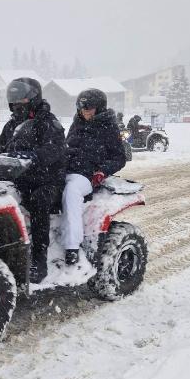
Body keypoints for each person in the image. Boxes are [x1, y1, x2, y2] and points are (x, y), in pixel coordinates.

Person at [0, 77, 65, 283]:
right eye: (14, 101)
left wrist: (33, 157)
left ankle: (39, 259)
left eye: (20, 100)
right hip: (18, 178)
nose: (16, 105)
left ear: (33, 98)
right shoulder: (12, 123)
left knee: (38, 202)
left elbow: (54, 150)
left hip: (46, 180)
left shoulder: (48, 122)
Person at [61, 88, 127, 266]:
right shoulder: (77, 122)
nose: (84, 111)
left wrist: (102, 171)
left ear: (99, 108)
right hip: (65, 169)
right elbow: (66, 146)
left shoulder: (108, 126)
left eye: (88, 108)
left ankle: (72, 246)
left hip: (86, 174)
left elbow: (120, 157)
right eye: (81, 107)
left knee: (71, 191)